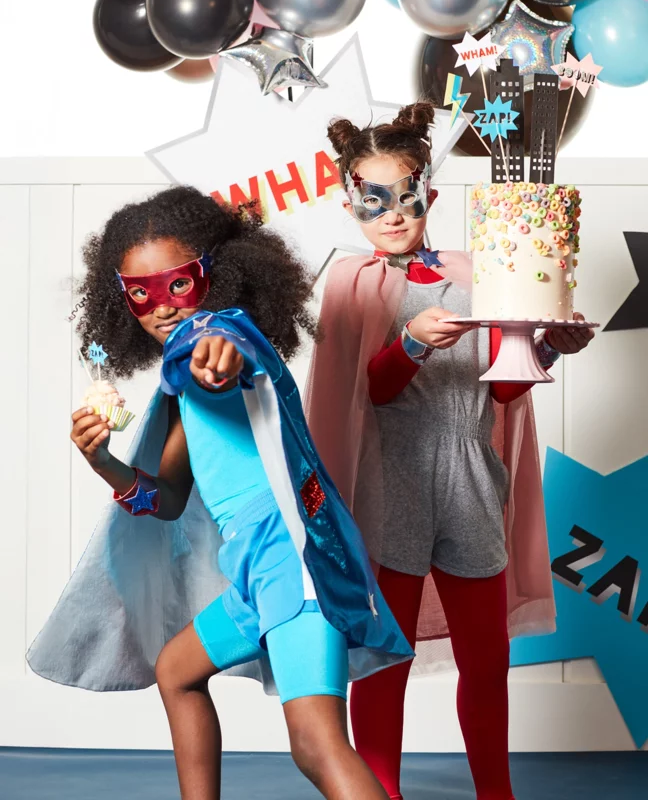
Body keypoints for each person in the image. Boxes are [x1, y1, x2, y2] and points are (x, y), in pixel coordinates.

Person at [27, 186, 414, 800]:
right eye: (140, 293)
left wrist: (216, 358)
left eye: (179, 284)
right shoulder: (182, 389)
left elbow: (222, 351)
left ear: (220, 276)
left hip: (292, 560)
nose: (162, 306)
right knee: (176, 671)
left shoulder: (224, 332)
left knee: (316, 745)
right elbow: (165, 500)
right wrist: (103, 462)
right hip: (255, 567)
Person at [305, 103, 595, 800]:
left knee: (487, 662)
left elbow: (503, 390)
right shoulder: (349, 283)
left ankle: (497, 793)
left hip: (472, 481)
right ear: (349, 206)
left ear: (429, 195)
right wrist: (409, 344)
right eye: (372, 200)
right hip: (391, 486)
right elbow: (364, 396)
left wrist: (550, 346)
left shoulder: (477, 272)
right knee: (385, 662)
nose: (391, 214)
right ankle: (381, 794)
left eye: (404, 196)